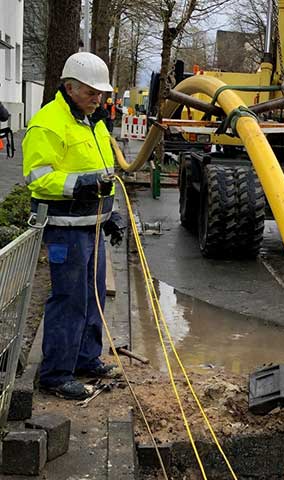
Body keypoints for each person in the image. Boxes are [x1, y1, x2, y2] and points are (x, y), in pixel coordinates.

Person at [22, 52, 125, 400]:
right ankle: (56, 373)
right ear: (69, 87)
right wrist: (75, 185)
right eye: (91, 92)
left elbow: (104, 176)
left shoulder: (90, 121)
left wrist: (110, 215)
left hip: (90, 224)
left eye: (101, 93)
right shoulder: (48, 123)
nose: (99, 98)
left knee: (92, 296)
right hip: (66, 228)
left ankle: (85, 358)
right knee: (69, 299)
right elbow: (38, 178)